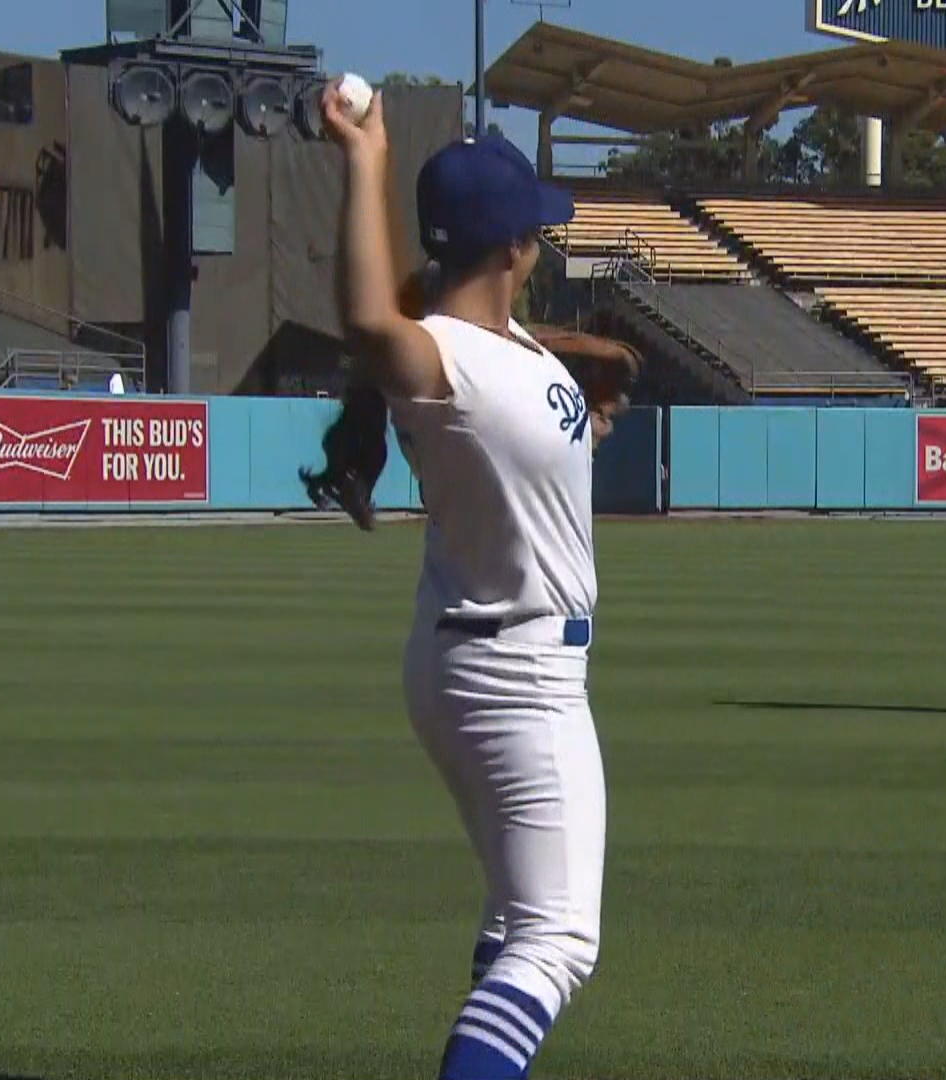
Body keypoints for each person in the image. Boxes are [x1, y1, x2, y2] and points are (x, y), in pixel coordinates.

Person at [317, 83, 617, 1080]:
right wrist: (366, 156)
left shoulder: (486, 342)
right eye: (536, 230)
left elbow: (445, 334)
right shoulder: (448, 359)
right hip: (518, 676)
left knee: (513, 910)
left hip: (472, 658)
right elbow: (372, 321)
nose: (543, 243)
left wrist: (582, 374)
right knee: (559, 938)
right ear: (510, 251)